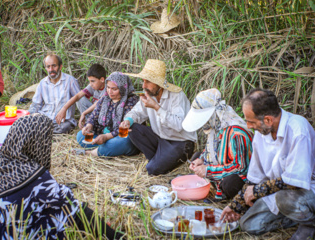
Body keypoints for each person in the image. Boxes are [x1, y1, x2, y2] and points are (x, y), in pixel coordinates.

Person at [0, 114, 124, 240]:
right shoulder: (35, 176)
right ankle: (118, 238)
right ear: (39, 142)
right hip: (12, 234)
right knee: (71, 211)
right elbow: (66, 200)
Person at [220, 89, 315, 240]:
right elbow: (254, 179)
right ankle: (295, 217)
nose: (248, 126)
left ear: (268, 120)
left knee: (285, 199)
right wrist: (235, 206)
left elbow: (295, 183)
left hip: (307, 189)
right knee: (249, 225)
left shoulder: (298, 130)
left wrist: (257, 191)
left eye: (251, 121)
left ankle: (309, 224)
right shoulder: (262, 133)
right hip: (280, 191)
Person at [120, 59, 197, 175]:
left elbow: (179, 125)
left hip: (180, 142)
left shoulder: (177, 96)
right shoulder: (150, 94)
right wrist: (127, 120)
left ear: (159, 84)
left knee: (152, 170)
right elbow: (136, 112)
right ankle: (158, 159)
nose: (144, 86)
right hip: (161, 138)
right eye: (143, 81)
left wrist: (157, 108)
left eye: (148, 82)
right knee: (133, 128)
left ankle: (159, 161)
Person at [182, 89, 253, 202]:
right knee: (196, 156)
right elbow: (210, 151)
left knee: (230, 183)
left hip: (240, 176)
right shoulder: (216, 128)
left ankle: (226, 195)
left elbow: (241, 168)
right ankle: (215, 185)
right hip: (222, 167)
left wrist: (208, 170)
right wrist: (201, 160)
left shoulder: (236, 133)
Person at [75, 72, 139, 157]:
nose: (110, 91)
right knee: (80, 136)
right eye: (108, 87)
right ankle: (105, 148)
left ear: (123, 88)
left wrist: (106, 137)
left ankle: (92, 152)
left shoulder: (131, 101)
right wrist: (89, 126)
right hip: (103, 136)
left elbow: (126, 128)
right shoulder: (104, 99)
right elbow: (94, 116)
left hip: (118, 137)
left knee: (124, 141)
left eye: (114, 89)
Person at [28, 53, 82, 134]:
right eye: (48, 67)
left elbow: (80, 99)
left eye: (54, 66)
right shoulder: (42, 83)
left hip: (63, 121)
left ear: (60, 66)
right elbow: (36, 104)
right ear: (45, 68)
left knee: (64, 128)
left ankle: (45, 133)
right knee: (30, 125)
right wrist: (31, 116)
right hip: (45, 119)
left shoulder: (70, 81)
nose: (51, 69)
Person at [55, 63, 107, 128]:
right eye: (89, 81)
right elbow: (77, 96)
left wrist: (84, 113)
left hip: (104, 116)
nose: (90, 84)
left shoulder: (108, 88)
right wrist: (64, 108)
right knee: (80, 99)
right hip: (95, 114)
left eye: (93, 81)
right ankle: (89, 124)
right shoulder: (93, 86)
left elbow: (97, 104)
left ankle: (93, 126)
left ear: (102, 79)